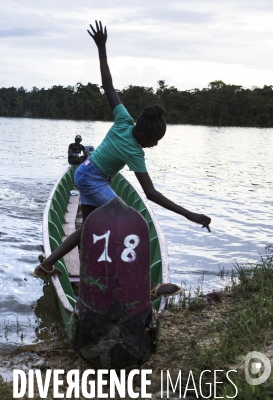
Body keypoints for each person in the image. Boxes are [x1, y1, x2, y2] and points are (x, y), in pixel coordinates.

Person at [33, 21, 212, 299]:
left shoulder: (123, 119)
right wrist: (189, 214)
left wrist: (102, 47)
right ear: (146, 134)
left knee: (86, 230)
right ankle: (144, 286)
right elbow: (150, 194)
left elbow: (108, 85)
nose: (154, 146)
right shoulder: (135, 152)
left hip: (86, 173)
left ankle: (45, 265)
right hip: (91, 179)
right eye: (155, 141)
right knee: (131, 220)